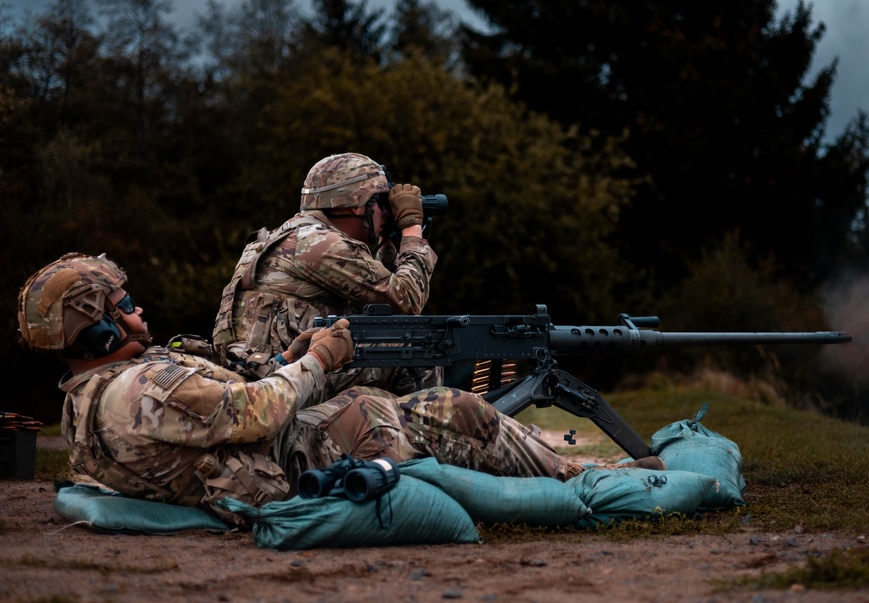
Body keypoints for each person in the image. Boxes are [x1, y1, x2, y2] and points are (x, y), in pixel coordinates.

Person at [17, 253, 664, 526]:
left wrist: (282, 358)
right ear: (95, 325)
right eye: (120, 303)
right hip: (291, 464)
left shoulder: (85, 398)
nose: (136, 310)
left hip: (265, 461)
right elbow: (253, 413)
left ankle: (561, 462)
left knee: (387, 408)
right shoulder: (142, 384)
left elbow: (223, 401)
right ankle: (589, 481)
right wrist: (321, 358)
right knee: (449, 411)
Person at [212, 152, 440, 396]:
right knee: (420, 351)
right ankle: (417, 432)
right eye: (381, 202)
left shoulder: (293, 236)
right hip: (279, 380)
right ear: (358, 204)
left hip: (259, 370)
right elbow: (407, 299)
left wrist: (387, 241)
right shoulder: (323, 244)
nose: (386, 212)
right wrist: (412, 228)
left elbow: (377, 298)